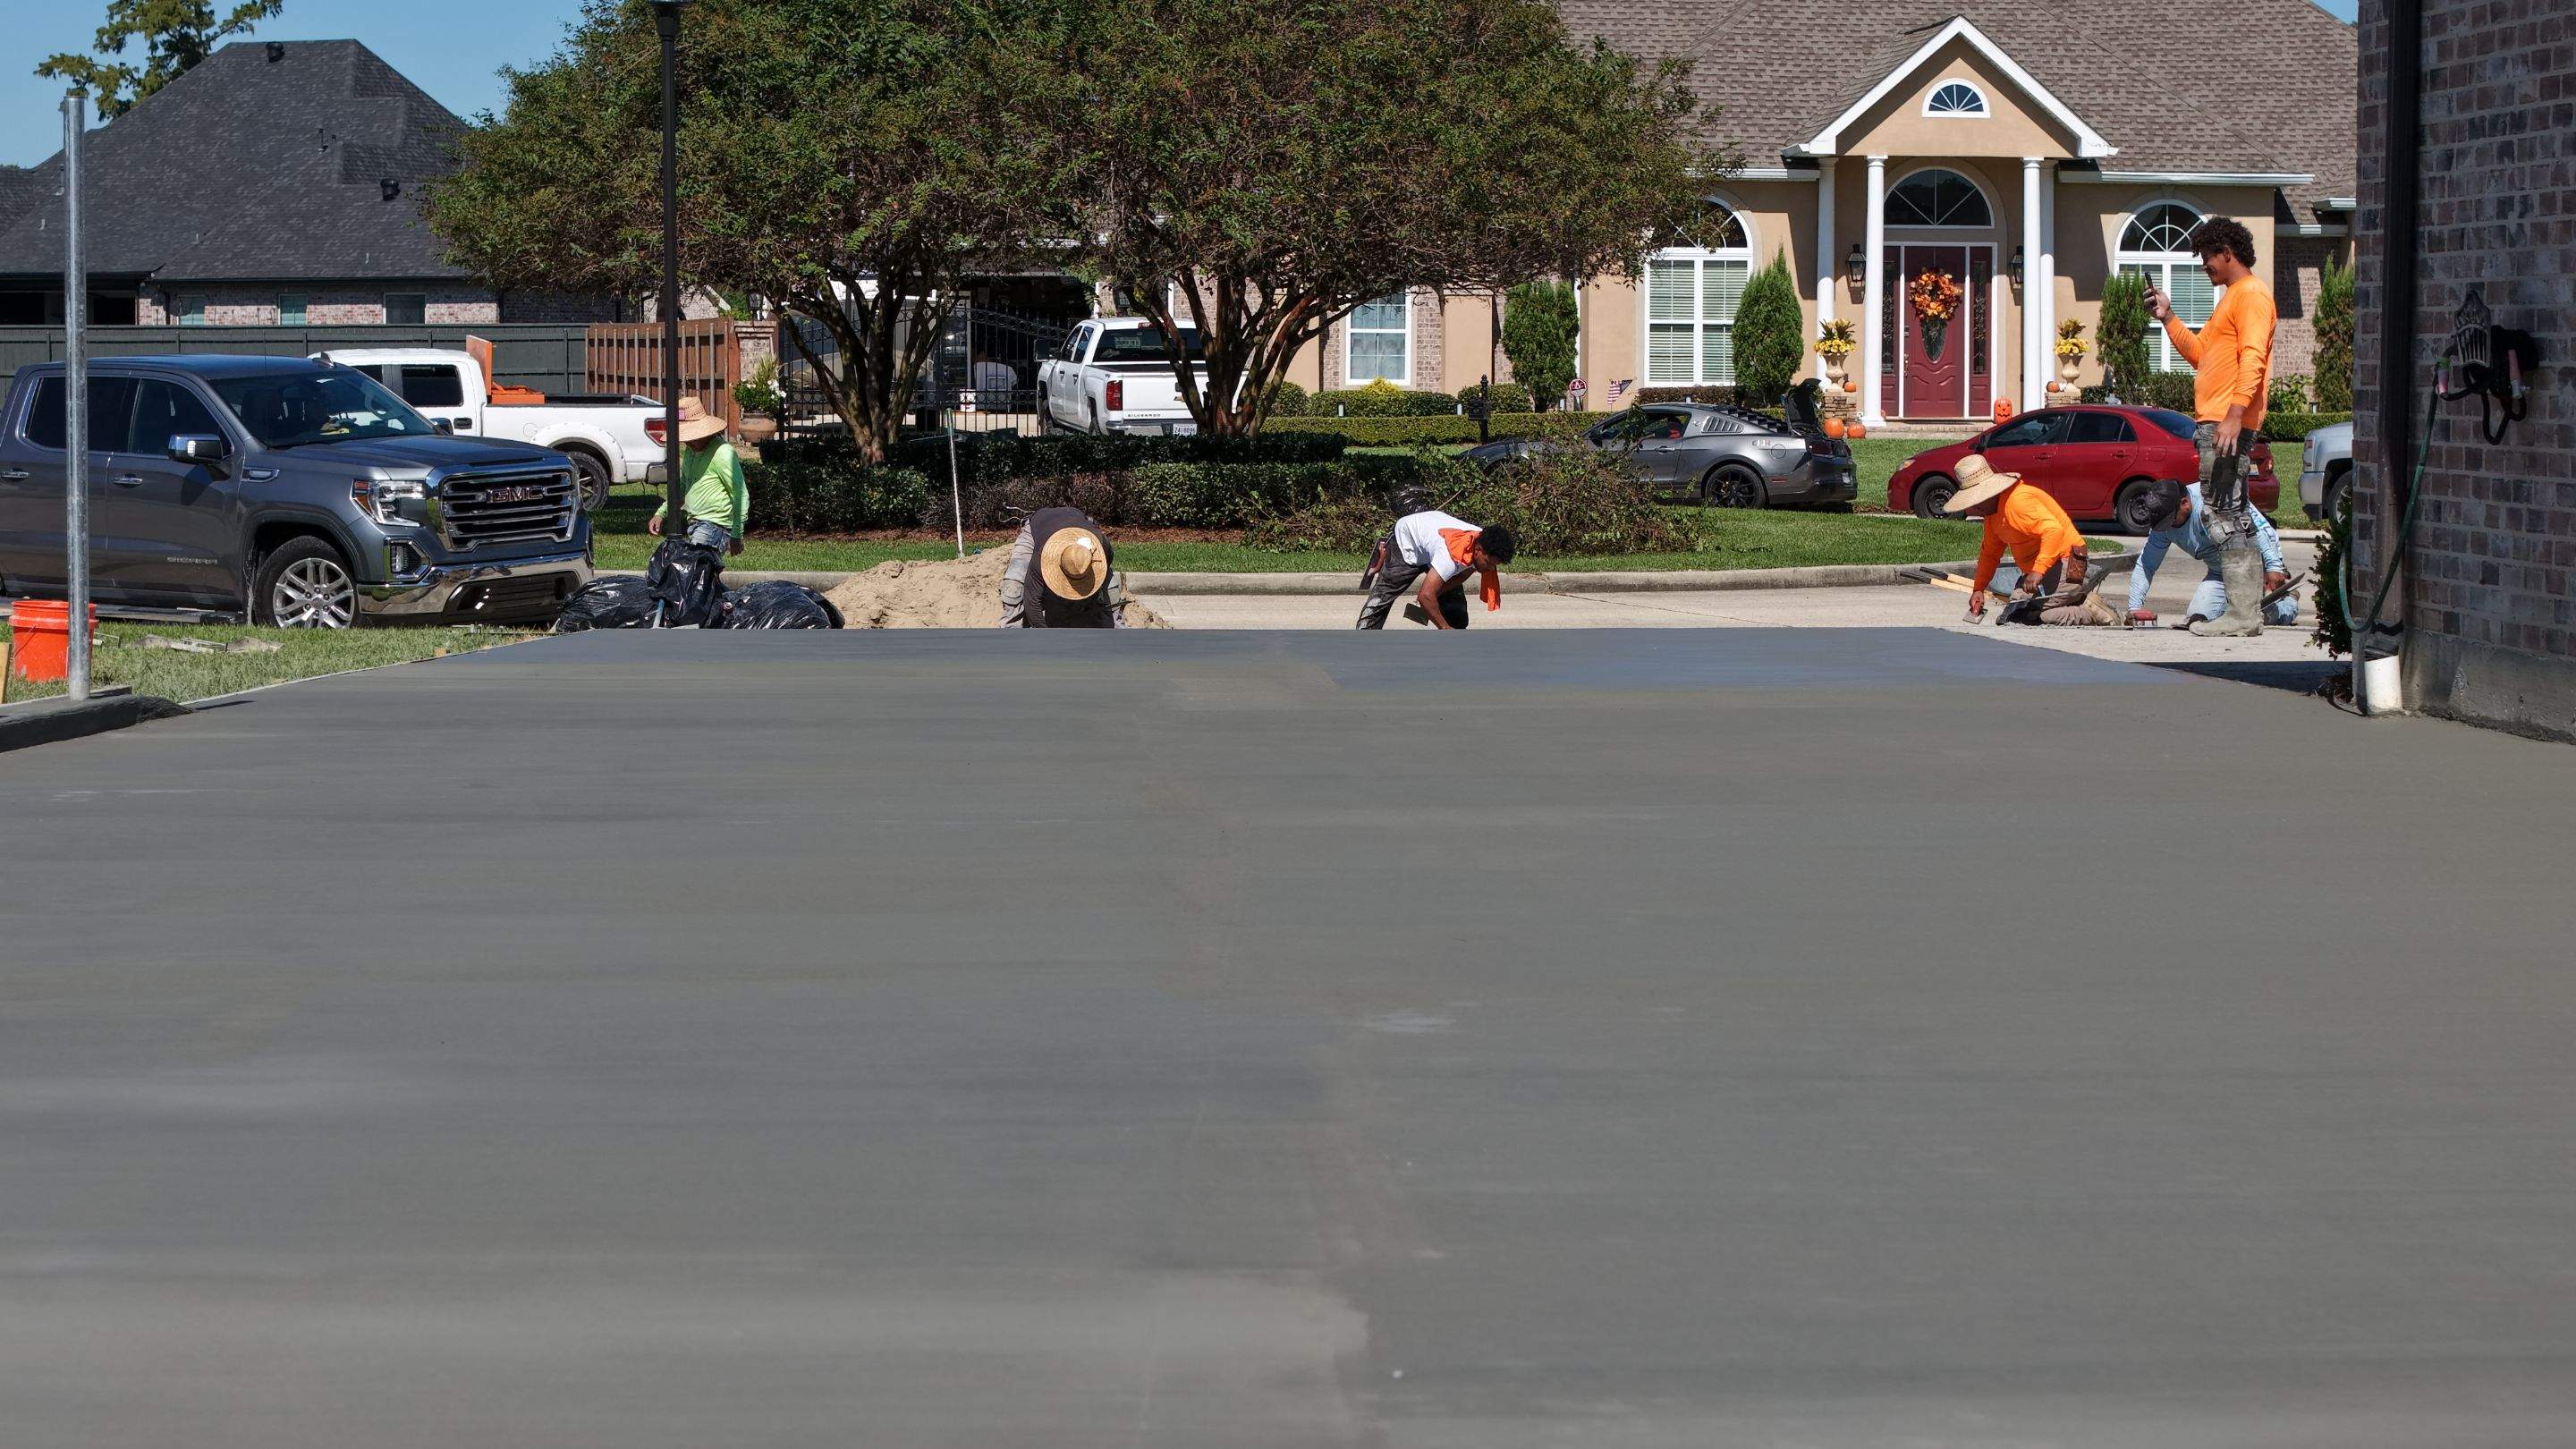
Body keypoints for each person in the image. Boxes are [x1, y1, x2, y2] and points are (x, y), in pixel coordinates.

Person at [2147, 215, 2277, 636]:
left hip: (2226, 424)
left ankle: (2242, 615)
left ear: (2227, 252)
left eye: (2206, 256)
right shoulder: (2232, 297)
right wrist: (2168, 317)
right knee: (2232, 513)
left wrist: (2235, 415)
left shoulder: (2251, 295)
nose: (2204, 265)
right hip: (2218, 422)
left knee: (2223, 514)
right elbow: (2203, 355)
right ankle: (2246, 613)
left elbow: (2254, 357)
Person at [1945, 455, 2116, 626]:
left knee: (2037, 616)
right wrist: (1979, 589)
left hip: (2068, 564)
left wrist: (2037, 571)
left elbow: (2053, 530)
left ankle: (2090, 610)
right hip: (2041, 572)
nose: (1976, 507)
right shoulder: (1992, 517)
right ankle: (2070, 601)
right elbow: (1989, 554)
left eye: (1978, 500)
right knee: (2014, 614)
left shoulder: (2018, 501)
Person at [2125, 479, 2297, 628]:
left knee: (2255, 619)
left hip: (2251, 563)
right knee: (2197, 621)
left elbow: (2256, 529)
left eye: (2170, 521)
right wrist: (2134, 608)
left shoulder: (2213, 501)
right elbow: (2147, 564)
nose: (2167, 528)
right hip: (2219, 572)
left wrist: (2274, 565)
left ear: (2185, 503)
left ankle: (2288, 604)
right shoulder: (2163, 522)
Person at [1355, 509, 1517, 630]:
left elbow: (1459, 577)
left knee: (1455, 604)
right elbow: (1425, 596)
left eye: (1494, 566)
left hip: (1432, 541)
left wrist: (1437, 593)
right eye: (1488, 563)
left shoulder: (1482, 542)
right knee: (1385, 593)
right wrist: (1444, 627)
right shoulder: (1450, 557)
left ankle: (1456, 636)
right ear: (1479, 550)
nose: (1490, 569)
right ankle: (1364, 635)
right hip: (1408, 540)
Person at [645, 396, 748, 556]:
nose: (689, 442)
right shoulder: (690, 452)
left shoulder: (723, 453)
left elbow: (740, 492)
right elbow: (683, 487)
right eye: (686, 438)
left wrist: (736, 534)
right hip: (695, 523)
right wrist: (661, 513)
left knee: (693, 568)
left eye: (692, 437)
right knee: (699, 574)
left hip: (714, 526)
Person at [1000, 506, 1124, 628]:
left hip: (1078, 518)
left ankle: (1119, 631)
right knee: (1014, 583)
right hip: (1038, 526)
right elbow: (1032, 601)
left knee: (1111, 587)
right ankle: (1010, 633)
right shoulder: (1043, 554)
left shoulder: (1100, 544)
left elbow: (1107, 563)